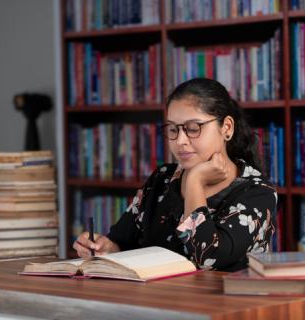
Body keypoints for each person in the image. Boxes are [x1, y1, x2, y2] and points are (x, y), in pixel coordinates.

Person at [73, 78, 278, 272]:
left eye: (193, 128)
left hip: (223, 307)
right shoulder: (161, 179)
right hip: (160, 304)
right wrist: (108, 249)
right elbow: (123, 241)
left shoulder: (257, 193)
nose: (180, 140)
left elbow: (207, 257)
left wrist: (195, 182)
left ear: (226, 128)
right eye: (173, 129)